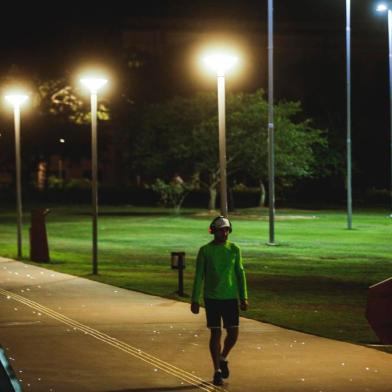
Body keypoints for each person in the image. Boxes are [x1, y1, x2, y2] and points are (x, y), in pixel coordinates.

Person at [191, 216, 248, 386]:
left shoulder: (234, 249)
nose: (224, 233)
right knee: (215, 333)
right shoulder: (205, 251)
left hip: (230, 297)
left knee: (233, 333)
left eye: (226, 230)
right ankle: (216, 370)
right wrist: (195, 299)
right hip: (212, 298)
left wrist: (243, 296)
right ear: (213, 231)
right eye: (221, 230)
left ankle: (223, 358)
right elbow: (199, 276)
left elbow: (240, 273)